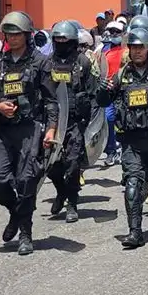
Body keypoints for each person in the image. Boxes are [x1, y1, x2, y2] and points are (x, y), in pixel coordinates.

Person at [0, 12, 60, 255]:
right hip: (1, 131)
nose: (13, 38)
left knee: (26, 180)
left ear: (27, 35)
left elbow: (51, 100)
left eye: (17, 34)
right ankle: (16, 211)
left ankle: (25, 232)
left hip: (30, 129)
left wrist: (51, 130)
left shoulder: (40, 63)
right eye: (9, 34)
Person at [97, 27, 148, 248]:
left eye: (140, 48)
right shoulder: (122, 75)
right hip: (131, 142)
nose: (136, 52)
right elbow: (104, 102)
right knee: (132, 184)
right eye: (133, 48)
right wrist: (103, 90)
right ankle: (135, 232)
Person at [45, 21, 96, 224]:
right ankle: (61, 192)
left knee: (73, 164)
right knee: (50, 165)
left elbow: (92, 92)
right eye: (58, 40)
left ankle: (72, 203)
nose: (62, 43)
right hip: (53, 122)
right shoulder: (48, 64)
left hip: (75, 121)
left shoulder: (83, 62)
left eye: (66, 40)